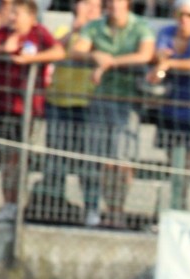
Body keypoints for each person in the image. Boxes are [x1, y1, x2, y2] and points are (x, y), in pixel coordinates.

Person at [0, 0, 63, 222]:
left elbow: (59, 52)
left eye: (18, 14)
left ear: (31, 17)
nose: (13, 17)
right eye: (12, 13)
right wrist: (2, 50)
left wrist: (31, 59)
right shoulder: (4, 33)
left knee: (13, 158)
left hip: (25, 108)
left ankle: (11, 203)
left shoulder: (39, 34)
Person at [70, 0, 155, 228]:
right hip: (99, 100)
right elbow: (77, 51)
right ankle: (97, 210)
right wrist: (95, 56)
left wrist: (109, 63)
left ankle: (117, 210)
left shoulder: (141, 27)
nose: (115, 6)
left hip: (128, 102)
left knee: (122, 161)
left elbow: (145, 55)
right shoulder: (94, 27)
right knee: (100, 160)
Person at [32, 0, 101, 223]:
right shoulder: (64, 31)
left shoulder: (100, 36)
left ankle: (91, 207)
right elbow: (55, 50)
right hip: (59, 102)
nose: (90, 10)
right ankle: (52, 204)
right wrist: (75, 31)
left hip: (87, 105)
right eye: (86, 4)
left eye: (95, 6)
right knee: (56, 159)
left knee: (87, 160)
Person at [147, 0, 190, 210]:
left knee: (186, 162)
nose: (185, 19)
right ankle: (174, 203)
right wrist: (161, 59)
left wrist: (169, 63)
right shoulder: (167, 32)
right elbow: (157, 60)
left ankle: (180, 204)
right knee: (172, 161)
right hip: (169, 108)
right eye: (182, 14)